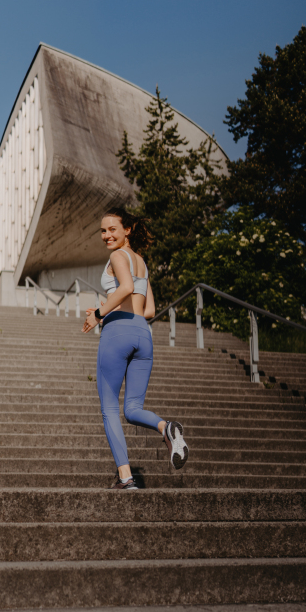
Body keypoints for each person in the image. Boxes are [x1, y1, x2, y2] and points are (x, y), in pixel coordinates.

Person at [82, 207, 189, 490]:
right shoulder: (141, 261)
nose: (106, 235)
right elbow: (150, 309)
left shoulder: (118, 256)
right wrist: (112, 309)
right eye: (103, 231)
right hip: (143, 334)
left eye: (112, 229)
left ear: (127, 229)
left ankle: (126, 477)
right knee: (132, 409)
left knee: (109, 408)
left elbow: (125, 287)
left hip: (117, 332)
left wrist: (100, 314)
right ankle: (166, 428)